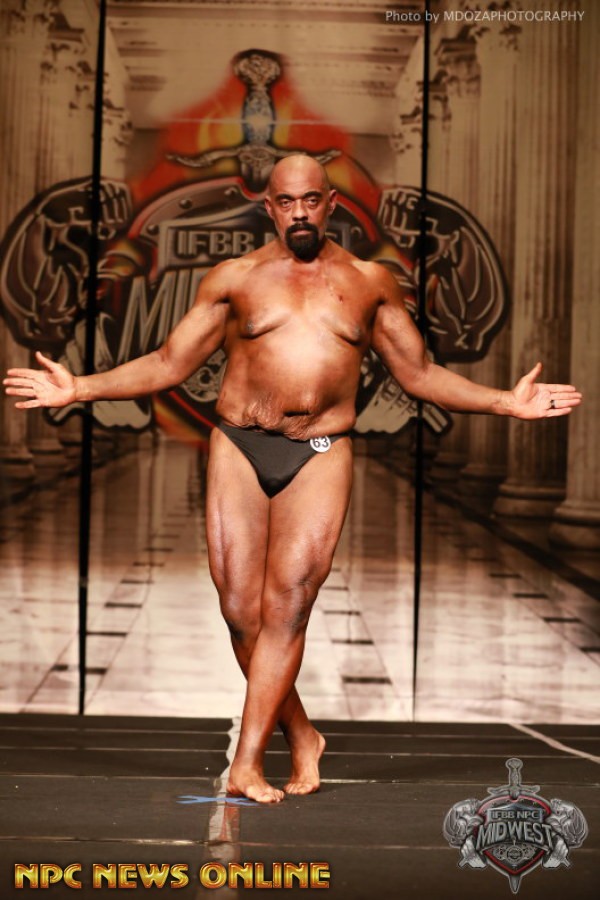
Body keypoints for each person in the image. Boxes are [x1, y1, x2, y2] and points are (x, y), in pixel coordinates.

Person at [3, 155, 582, 803]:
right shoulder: (236, 278)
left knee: (289, 604)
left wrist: (505, 402)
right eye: (286, 201)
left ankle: (247, 763)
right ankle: (302, 733)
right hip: (239, 443)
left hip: (322, 450)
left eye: (311, 200)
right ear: (270, 207)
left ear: (331, 203)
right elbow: (168, 362)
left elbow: (419, 375)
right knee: (239, 611)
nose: (300, 212)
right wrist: (80, 388)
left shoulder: (369, 283)